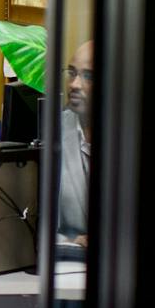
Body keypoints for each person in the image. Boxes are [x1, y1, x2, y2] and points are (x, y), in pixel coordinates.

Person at [57, 39, 92, 245]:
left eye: (88, 76)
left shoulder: (131, 139)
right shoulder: (53, 131)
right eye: (71, 73)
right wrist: (73, 241)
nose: (74, 84)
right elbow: (33, 223)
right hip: (68, 263)